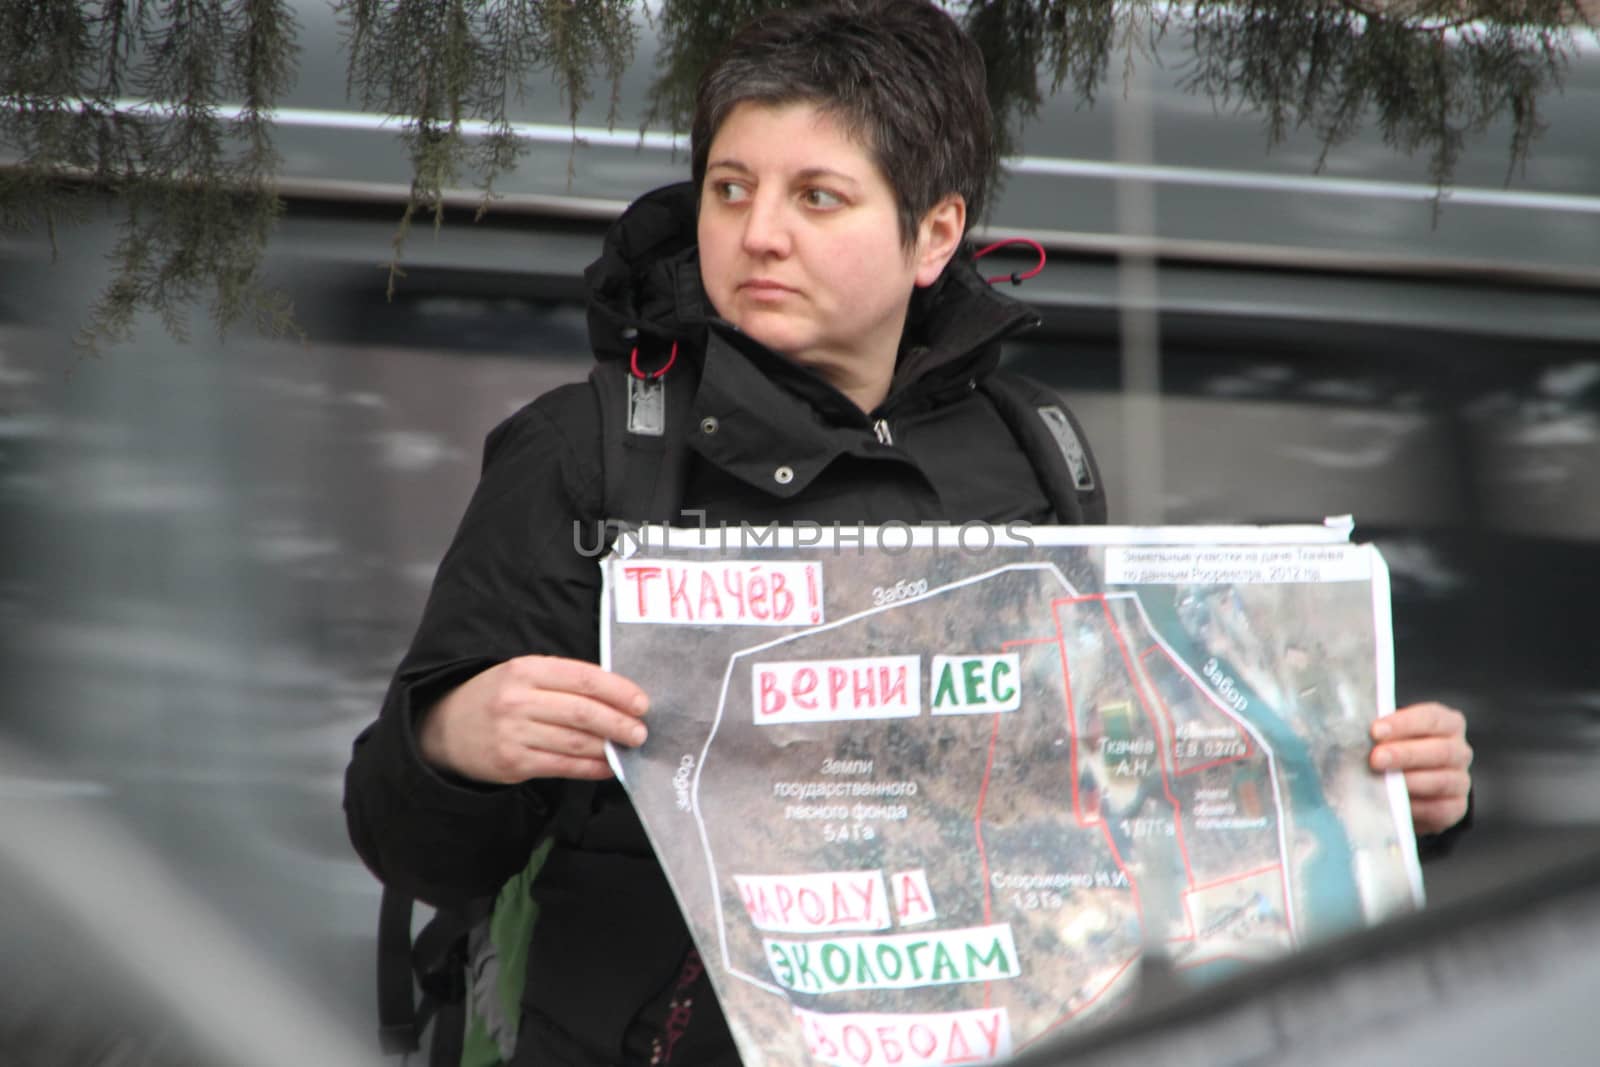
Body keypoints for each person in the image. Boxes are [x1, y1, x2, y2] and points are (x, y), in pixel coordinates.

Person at [343, 2, 1473, 1064]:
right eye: (730, 189)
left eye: (815, 197)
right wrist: (454, 740)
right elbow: (404, 836)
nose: (758, 233)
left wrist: (1373, 797)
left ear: (933, 234)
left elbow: (1111, 785)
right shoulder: (592, 446)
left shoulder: (1033, 443)